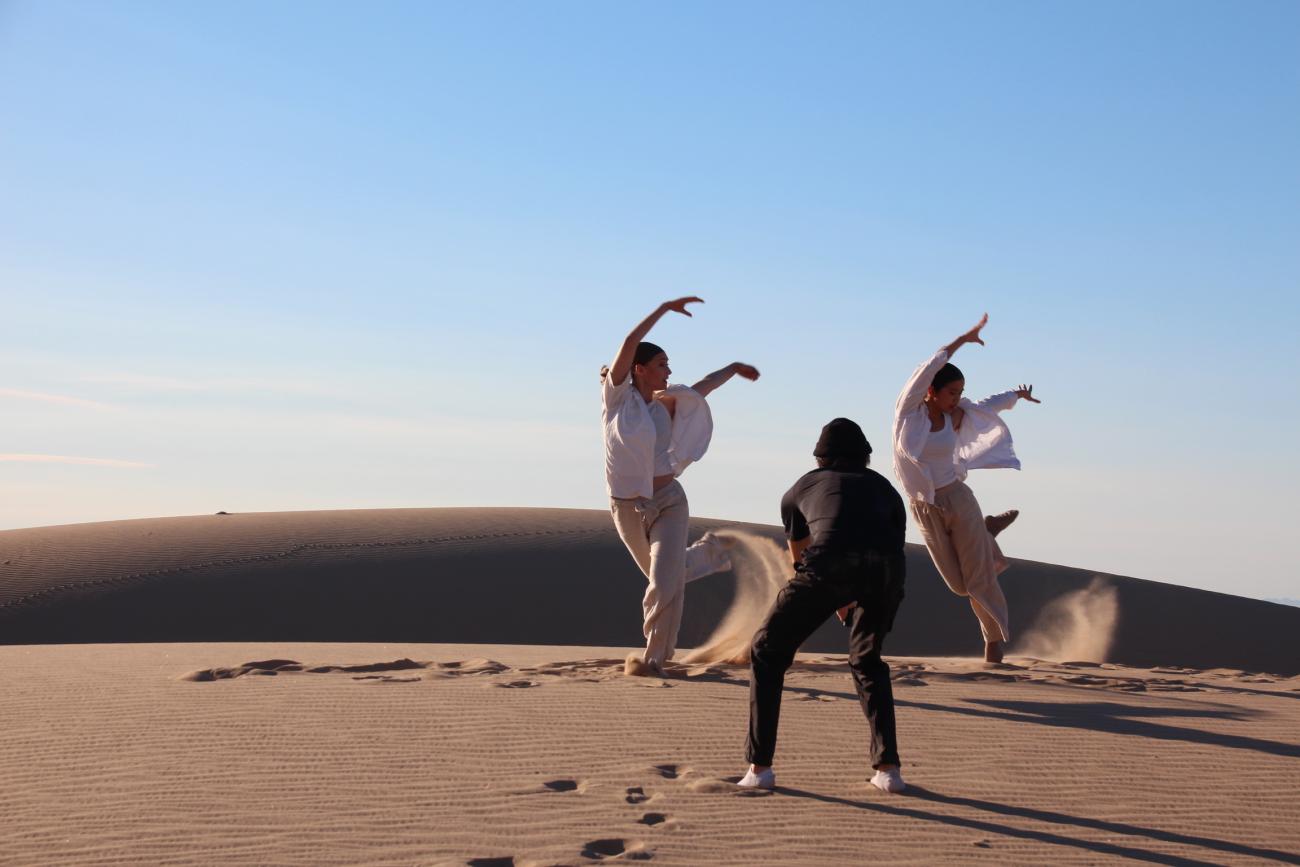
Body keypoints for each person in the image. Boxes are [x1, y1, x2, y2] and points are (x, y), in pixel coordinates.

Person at [739, 418, 908, 794]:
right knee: (867, 660)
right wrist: (850, 593)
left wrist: (832, 593)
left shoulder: (801, 487)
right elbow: (889, 547)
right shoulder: (886, 488)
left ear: (820, 459)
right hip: (888, 570)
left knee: (767, 650)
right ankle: (889, 772)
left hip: (831, 563)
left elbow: (800, 554)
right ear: (865, 458)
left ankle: (759, 768)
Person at [601, 296, 760, 676]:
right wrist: (663, 309)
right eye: (661, 364)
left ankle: (654, 659)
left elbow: (703, 387)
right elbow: (629, 342)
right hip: (627, 506)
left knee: (663, 583)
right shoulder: (617, 399)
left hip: (669, 501)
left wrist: (733, 368)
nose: (668, 370)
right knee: (666, 575)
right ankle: (709, 553)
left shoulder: (666, 403)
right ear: (639, 369)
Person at [892, 313, 1041, 663]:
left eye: (960, 392)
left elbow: (986, 407)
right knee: (958, 586)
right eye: (951, 392)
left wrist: (1015, 395)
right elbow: (931, 365)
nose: (957, 398)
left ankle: (994, 643)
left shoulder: (956, 415)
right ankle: (987, 532)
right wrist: (964, 339)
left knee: (978, 578)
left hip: (957, 498)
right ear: (930, 390)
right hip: (925, 507)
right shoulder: (908, 414)